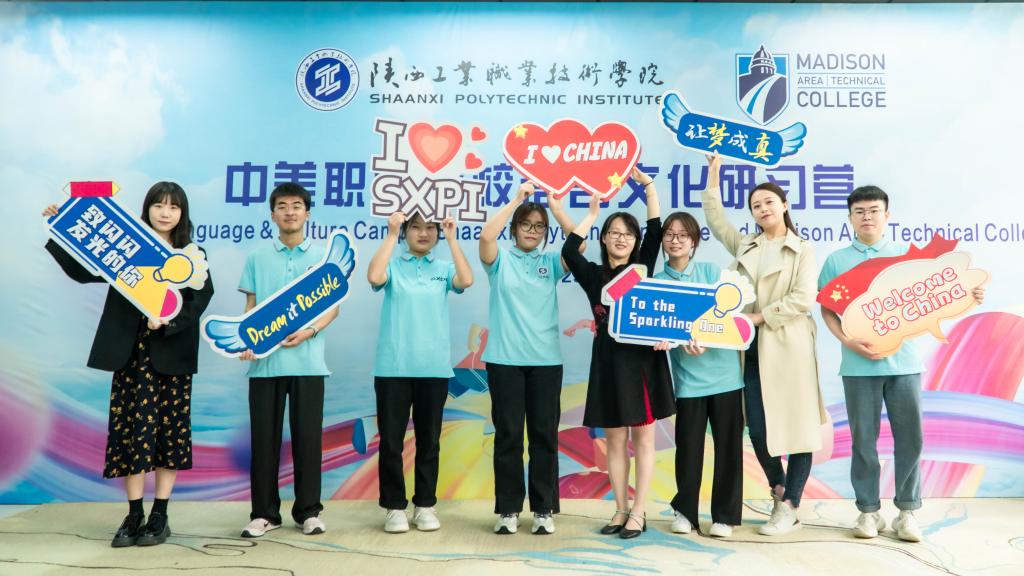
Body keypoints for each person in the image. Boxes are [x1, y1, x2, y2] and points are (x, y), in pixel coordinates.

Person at [43, 182, 214, 547]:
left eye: (173, 207)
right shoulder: (126, 246)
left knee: (169, 435)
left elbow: (200, 299)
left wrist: (168, 321)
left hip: (171, 356)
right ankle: (134, 513)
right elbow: (84, 271)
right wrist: (62, 229)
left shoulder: (191, 255)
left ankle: (160, 515)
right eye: (158, 205)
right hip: (129, 355)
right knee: (129, 433)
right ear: (147, 208)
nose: (165, 213)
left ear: (182, 214)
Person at [818, 185, 984, 542]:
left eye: (873, 210)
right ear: (850, 218)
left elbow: (936, 295)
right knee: (863, 442)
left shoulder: (905, 256)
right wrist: (848, 341)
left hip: (904, 365)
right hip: (858, 367)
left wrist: (968, 293)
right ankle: (868, 512)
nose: (867, 217)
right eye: (860, 211)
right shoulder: (836, 261)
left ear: (887, 215)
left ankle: (907, 512)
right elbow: (827, 310)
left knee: (911, 438)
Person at [701, 152, 825, 536]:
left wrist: (759, 317)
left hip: (789, 346)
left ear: (784, 205)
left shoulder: (802, 249)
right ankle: (780, 489)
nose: (763, 208)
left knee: (800, 428)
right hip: (752, 351)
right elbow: (716, 220)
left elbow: (804, 298)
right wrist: (714, 175)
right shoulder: (746, 245)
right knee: (757, 428)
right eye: (756, 205)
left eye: (769, 201)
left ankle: (789, 506)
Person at [560, 169, 675, 539]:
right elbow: (568, 251)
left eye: (628, 234)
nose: (621, 238)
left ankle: (639, 511)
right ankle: (620, 509)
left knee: (643, 440)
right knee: (613, 440)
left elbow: (655, 229)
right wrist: (592, 214)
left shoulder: (642, 269)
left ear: (635, 241)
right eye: (614, 232)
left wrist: (649, 187)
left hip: (642, 365)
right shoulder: (593, 275)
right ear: (605, 239)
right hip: (607, 366)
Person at [479, 180, 581, 536]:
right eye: (526, 224)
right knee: (508, 436)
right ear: (514, 228)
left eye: (539, 227)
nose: (532, 231)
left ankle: (542, 509)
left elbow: (578, 245)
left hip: (545, 362)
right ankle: (508, 509)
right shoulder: (500, 260)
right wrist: (516, 200)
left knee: (543, 437)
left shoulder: (551, 262)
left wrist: (556, 209)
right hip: (504, 361)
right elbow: (486, 236)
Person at [238, 183, 339, 539]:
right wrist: (246, 340)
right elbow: (250, 307)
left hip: (309, 364)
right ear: (273, 214)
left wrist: (309, 331)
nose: (290, 212)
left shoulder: (323, 257)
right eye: (282, 206)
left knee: (308, 442)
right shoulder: (257, 258)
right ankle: (264, 514)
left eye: (297, 205)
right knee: (263, 442)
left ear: (307, 213)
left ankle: (308, 512)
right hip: (264, 366)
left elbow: (332, 307)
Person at [367, 210, 473, 533]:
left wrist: (453, 239)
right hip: (393, 368)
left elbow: (466, 280)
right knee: (391, 442)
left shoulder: (443, 269)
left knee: (429, 442)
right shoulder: (393, 265)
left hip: (433, 369)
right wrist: (391, 234)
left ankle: (425, 504)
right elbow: (374, 277)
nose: (424, 233)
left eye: (430, 228)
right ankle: (394, 507)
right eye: (416, 227)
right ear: (405, 232)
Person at [652, 211, 744, 538]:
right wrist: (659, 339)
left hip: (726, 377)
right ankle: (685, 512)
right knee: (688, 450)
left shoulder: (711, 273)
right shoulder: (656, 283)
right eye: (669, 234)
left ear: (693, 241)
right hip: (688, 382)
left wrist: (709, 338)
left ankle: (725, 517)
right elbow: (654, 328)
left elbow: (732, 317)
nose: (675, 240)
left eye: (683, 235)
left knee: (729, 449)